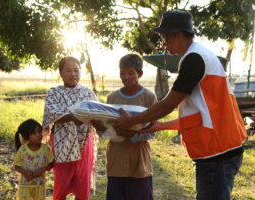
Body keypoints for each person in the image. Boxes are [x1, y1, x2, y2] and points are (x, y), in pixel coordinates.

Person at [113, 10, 247, 200]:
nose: (164, 43)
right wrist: (160, 126)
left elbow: (167, 104)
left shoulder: (194, 59)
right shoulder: (199, 56)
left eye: (164, 37)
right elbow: (200, 116)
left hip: (217, 154)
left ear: (175, 34)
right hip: (220, 149)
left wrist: (130, 121)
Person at [92, 53, 157, 200]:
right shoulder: (112, 98)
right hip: (116, 160)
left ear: (139, 74)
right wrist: (101, 129)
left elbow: (154, 130)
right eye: (122, 73)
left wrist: (134, 135)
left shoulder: (149, 97)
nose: (126, 77)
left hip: (139, 161)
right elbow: (108, 129)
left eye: (131, 73)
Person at [42, 56, 98, 200]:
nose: (73, 74)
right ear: (61, 73)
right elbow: (52, 114)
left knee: (83, 179)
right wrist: (76, 117)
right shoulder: (54, 92)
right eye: (68, 71)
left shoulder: (87, 93)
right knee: (62, 179)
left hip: (85, 141)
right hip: (62, 142)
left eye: (76, 70)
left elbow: (97, 112)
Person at [13, 119, 54, 200]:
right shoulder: (23, 150)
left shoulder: (46, 149)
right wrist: (25, 172)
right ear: (26, 136)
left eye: (39, 131)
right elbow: (16, 166)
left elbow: (51, 163)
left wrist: (42, 169)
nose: (38, 135)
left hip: (40, 185)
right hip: (25, 186)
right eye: (34, 133)